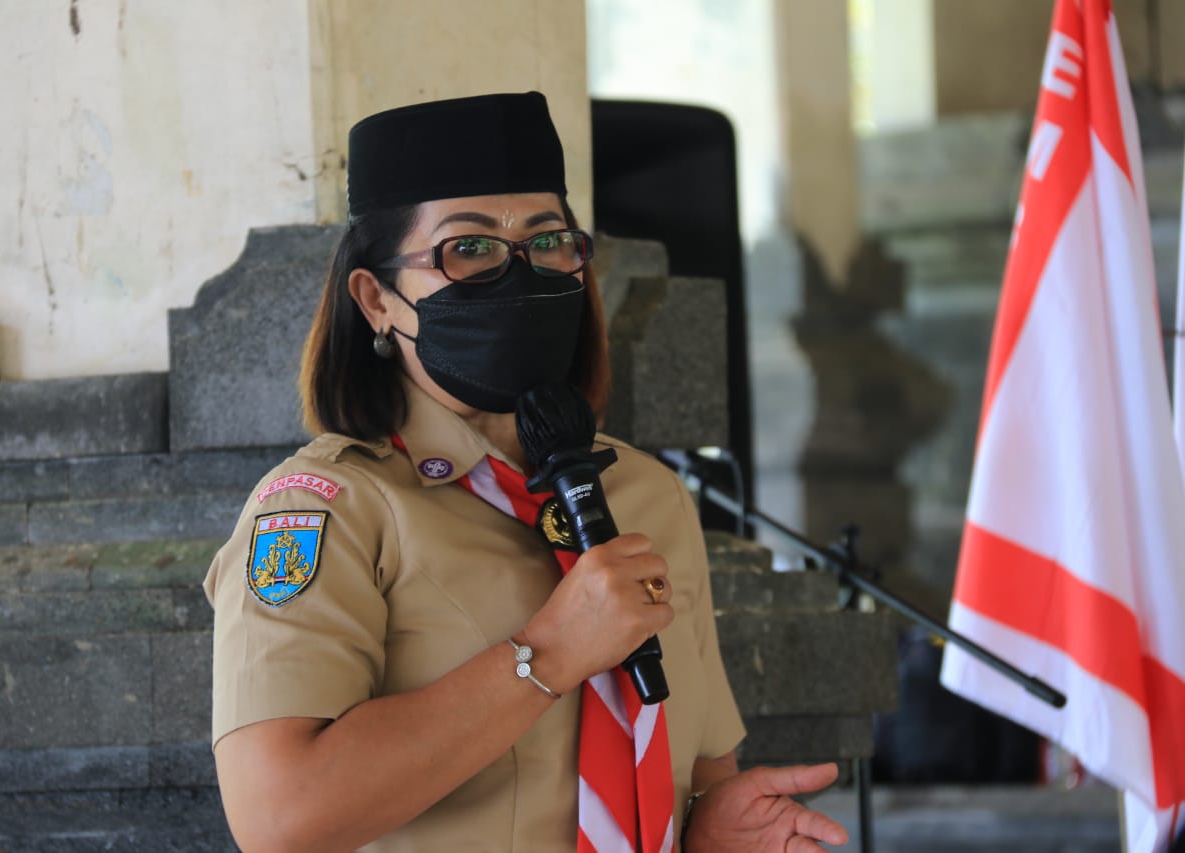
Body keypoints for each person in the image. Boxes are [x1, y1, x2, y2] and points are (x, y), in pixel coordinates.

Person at [205, 91, 848, 853]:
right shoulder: (334, 509)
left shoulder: (645, 493)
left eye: (550, 242)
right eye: (468, 248)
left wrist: (710, 829)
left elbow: (698, 767)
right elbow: (281, 815)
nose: (521, 273)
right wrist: (549, 654)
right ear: (377, 298)